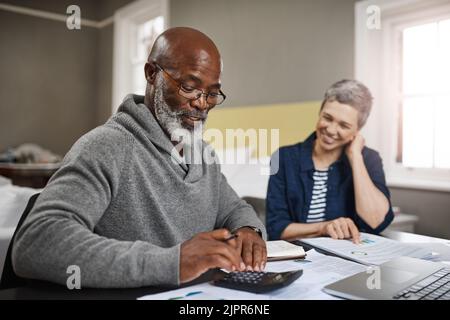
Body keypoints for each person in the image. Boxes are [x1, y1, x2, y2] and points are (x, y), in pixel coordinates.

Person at [12, 27, 266, 288]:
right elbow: (37, 242)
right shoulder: (106, 146)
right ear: (152, 74)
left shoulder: (204, 155)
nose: (202, 103)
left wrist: (249, 231)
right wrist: (173, 262)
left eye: (212, 93)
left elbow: (236, 209)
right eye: (189, 87)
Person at [266, 79, 394, 242]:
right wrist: (324, 227)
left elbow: (376, 221)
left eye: (344, 125)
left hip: (350, 260)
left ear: (357, 130)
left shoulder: (369, 159)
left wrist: (355, 156)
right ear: (320, 113)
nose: (331, 130)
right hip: (300, 257)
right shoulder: (284, 157)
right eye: (327, 118)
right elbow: (276, 229)